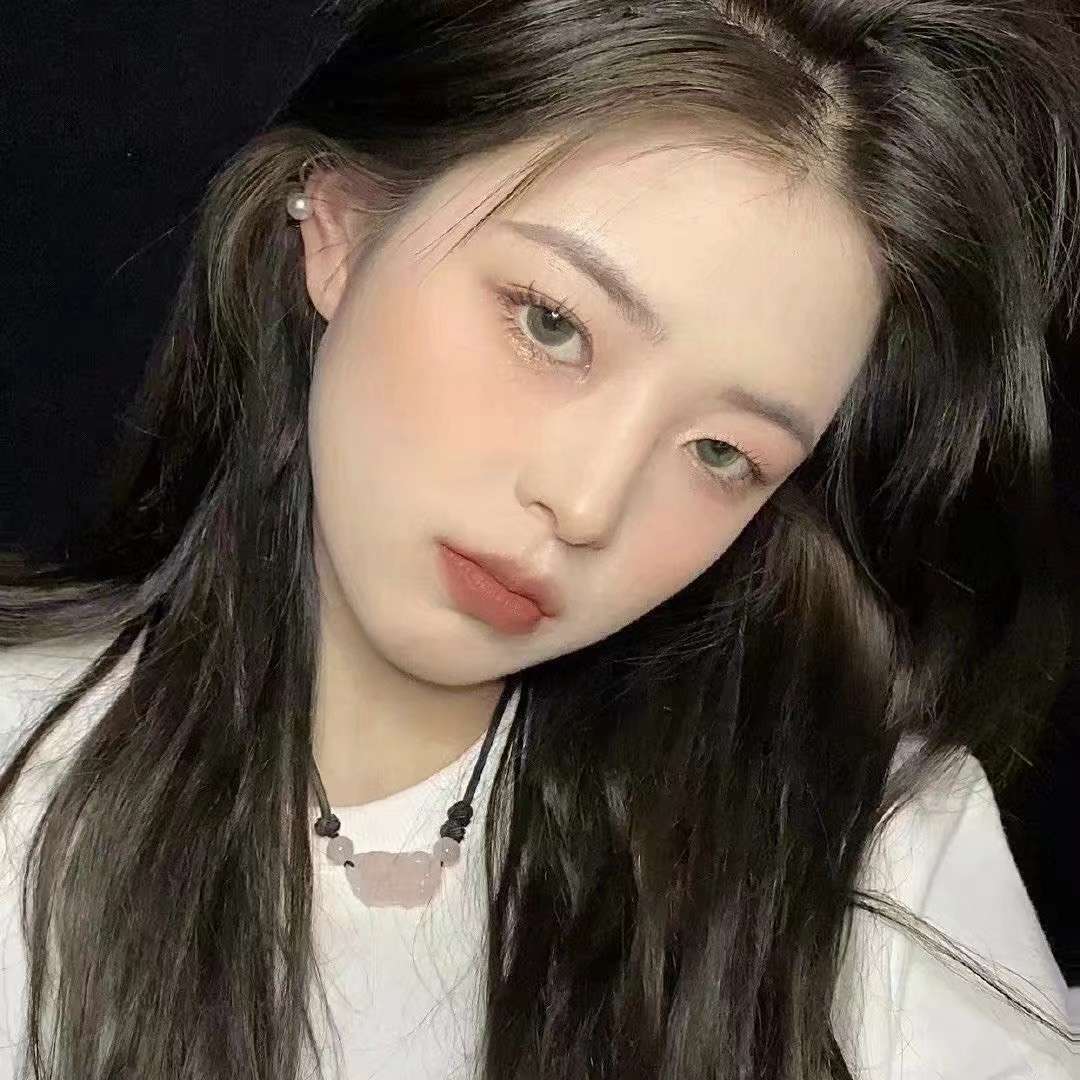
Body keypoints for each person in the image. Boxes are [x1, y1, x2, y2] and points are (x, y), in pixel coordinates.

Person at [1, 0, 1079, 1077]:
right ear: (339, 222)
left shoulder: (865, 847)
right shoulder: (26, 768)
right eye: (551, 324)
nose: (586, 503)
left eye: (721, 452)